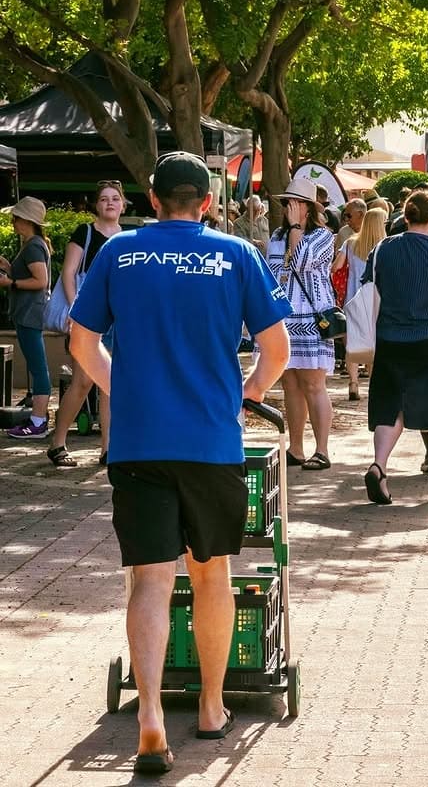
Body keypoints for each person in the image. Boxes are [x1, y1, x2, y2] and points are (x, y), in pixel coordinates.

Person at [68, 150, 290, 774]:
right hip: (211, 442)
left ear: (153, 199)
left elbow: (82, 342)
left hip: (139, 442)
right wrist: (245, 394)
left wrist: (119, 388)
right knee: (212, 573)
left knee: (149, 579)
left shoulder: (118, 253)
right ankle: (213, 705)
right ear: (209, 203)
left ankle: (150, 718)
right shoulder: (236, 255)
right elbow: (276, 349)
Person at [362, 189, 428, 504]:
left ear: (405, 217)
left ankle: (379, 466)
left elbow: (370, 291)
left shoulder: (382, 249)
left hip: (389, 340)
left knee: (390, 408)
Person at [47, 180, 127, 467]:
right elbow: (69, 273)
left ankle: (108, 448)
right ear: (96, 204)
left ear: (123, 204)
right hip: (87, 318)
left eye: (115, 198)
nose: (109, 203)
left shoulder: (126, 237)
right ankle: (57, 443)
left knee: (110, 384)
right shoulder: (85, 233)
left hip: (117, 319)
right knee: (82, 381)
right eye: (104, 198)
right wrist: (74, 309)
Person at [266, 177, 337, 471]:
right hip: (285, 318)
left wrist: (296, 229)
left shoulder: (323, 237)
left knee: (313, 383)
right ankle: (296, 448)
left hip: (311, 318)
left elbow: (300, 262)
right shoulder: (276, 237)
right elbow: (274, 270)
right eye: (286, 203)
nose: (288, 209)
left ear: (308, 208)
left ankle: (322, 450)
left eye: (294, 204)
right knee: (290, 384)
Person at [0, 197, 52, 438]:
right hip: (28, 313)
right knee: (36, 366)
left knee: (38, 368)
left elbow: (40, 281)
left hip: (30, 314)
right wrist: (10, 268)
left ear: (27, 221)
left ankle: (38, 421)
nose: (13, 222)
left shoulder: (33, 246)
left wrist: (10, 281)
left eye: (16, 218)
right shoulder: (34, 244)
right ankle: (37, 418)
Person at [332, 207, 387, 399]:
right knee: (374, 342)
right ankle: (373, 383)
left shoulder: (350, 243)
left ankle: (353, 383)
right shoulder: (385, 245)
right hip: (378, 300)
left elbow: (336, 267)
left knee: (353, 344)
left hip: (353, 299)